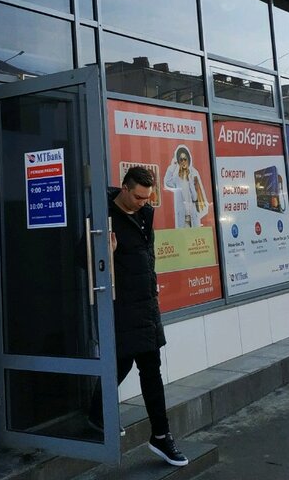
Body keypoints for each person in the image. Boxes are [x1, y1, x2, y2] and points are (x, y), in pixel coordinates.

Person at [89, 166, 188, 467]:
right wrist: (105, 252)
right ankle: (160, 435)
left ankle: (98, 412)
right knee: (145, 367)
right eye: (138, 197)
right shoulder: (104, 215)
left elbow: (147, 257)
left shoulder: (145, 214)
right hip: (121, 305)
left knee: (130, 362)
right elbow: (82, 257)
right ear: (124, 189)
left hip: (146, 303)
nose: (143, 202)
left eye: (148, 197)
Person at [163, 145, 208, 228]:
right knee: (183, 234)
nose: (183, 161)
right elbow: (167, 182)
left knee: (194, 234)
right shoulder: (177, 177)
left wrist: (190, 180)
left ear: (188, 159)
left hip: (192, 213)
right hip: (182, 213)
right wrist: (172, 166)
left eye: (185, 159)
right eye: (181, 159)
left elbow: (195, 197)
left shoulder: (194, 174)